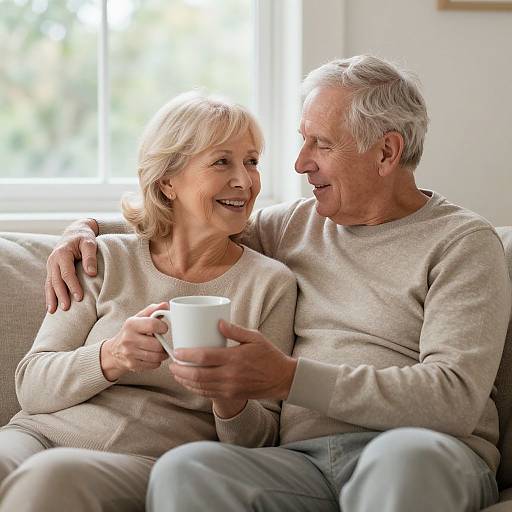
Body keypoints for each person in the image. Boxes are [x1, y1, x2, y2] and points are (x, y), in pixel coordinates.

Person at [46, 55, 511, 512]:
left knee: (400, 464)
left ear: (386, 152)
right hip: (302, 464)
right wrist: (84, 230)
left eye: (321, 145)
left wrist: (290, 379)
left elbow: (453, 398)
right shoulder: (294, 225)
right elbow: (185, 221)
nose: (299, 164)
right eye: (302, 141)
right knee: (189, 468)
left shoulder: (462, 243)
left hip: (424, 453)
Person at [0, 92, 297, 512]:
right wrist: (112, 356)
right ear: (167, 182)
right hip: (37, 435)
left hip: (147, 460)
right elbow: (31, 384)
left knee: (53, 478)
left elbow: (261, 439)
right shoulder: (101, 258)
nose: (245, 181)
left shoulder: (270, 284)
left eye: (251, 161)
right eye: (222, 162)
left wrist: (228, 395)